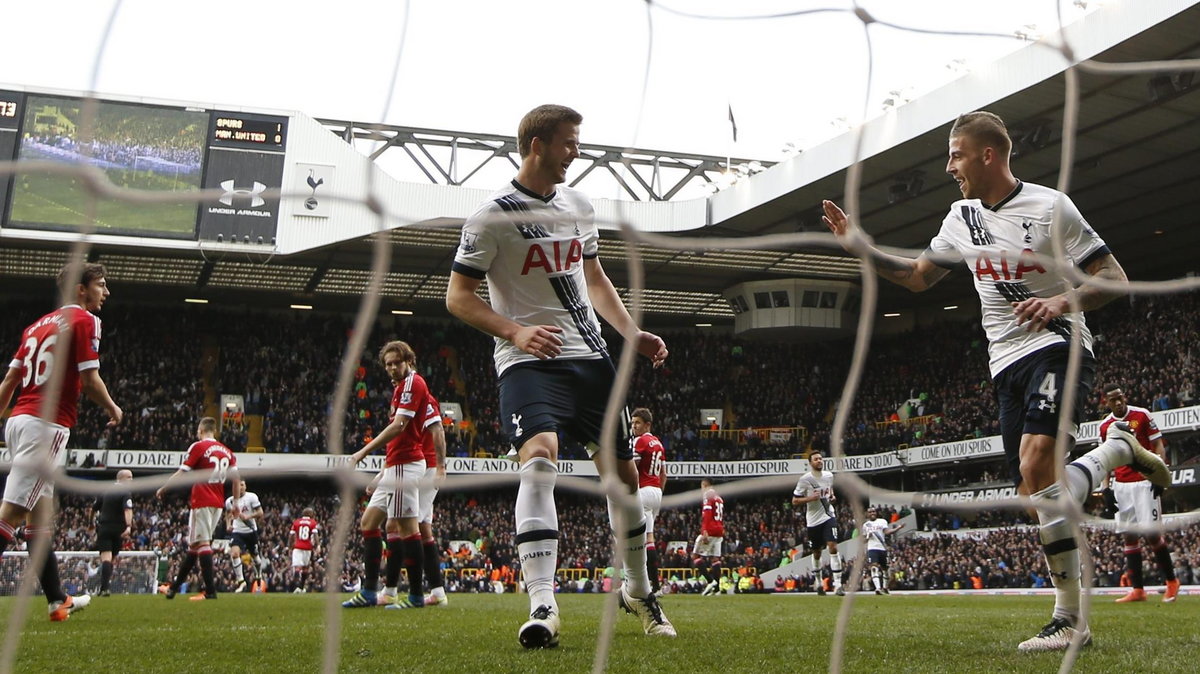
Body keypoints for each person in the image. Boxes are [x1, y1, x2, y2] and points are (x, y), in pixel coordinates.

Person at [822, 110, 1170, 651]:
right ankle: (1113, 452)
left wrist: (1059, 299)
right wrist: (861, 246)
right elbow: (918, 277)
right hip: (1003, 362)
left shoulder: (1052, 206)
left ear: (988, 154)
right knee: (1037, 496)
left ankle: (1070, 621)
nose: (948, 166)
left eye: (956, 154)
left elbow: (1113, 278)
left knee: (1036, 464)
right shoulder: (960, 217)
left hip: (1059, 342)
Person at [446, 103, 675, 647]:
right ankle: (543, 605)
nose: (577, 151)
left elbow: (592, 275)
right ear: (537, 145)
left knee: (624, 486)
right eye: (570, 142)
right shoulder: (490, 218)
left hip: (592, 358)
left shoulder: (579, 205)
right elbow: (458, 297)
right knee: (540, 459)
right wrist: (514, 331)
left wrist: (630, 333)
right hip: (528, 363)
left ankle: (638, 591)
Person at [0, 262, 121, 621]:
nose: (106, 291)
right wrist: (114, 407)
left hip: (19, 419)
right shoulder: (86, 321)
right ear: (80, 289)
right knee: (12, 512)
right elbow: (89, 379)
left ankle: (57, 600)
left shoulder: (35, 326)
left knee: (40, 516)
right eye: (101, 284)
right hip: (46, 424)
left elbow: (9, 381)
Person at [341, 341, 431, 610]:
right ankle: (369, 591)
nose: (392, 368)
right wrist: (382, 473)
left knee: (407, 529)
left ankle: (415, 595)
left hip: (406, 466)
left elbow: (399, 427)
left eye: (397, 363)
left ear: (409, 361)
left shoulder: (413, 384)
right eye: (388, 364)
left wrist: (361, 453)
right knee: (369, 523)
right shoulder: (400, 387)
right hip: (394, 466)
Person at [1098, 384, 1180, 603]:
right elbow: (1106, 459)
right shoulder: (1105, 426)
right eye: (1113, 400)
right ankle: (1138, 590)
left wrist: (1159, 475)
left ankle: (1172, 582)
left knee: (1152, 534)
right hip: (1122, 485)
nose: (1118, 402)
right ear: (1106, 402)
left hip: (1144, 481)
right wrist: (1106, 488)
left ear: (1125, 397)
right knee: (1129, 536)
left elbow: (1158, 446)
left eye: (1121, 398)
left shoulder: (1142, 415)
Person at [156, 417, 240, 600]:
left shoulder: (198, 447)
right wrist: (236, 504)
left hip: (202, 500)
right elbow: (237, 479)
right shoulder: (227, 451)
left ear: (201, 430)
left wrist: (165, 487)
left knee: (202, 544)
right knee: (195, 546)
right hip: (218, 502)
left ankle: (210, 590)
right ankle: (174, 588)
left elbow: (182, 472)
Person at [793, 452, 844, 596]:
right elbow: (795, 501)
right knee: (816, 552)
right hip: (813, 521)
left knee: (833, 546)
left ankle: (838, 585)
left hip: (828, 516)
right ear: (810, 463)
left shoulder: (829, 476)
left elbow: (830, 490)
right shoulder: (805, 480)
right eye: (816, 459)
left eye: (821, 459)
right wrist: (810, 498)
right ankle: (819, 582)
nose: (819, 461)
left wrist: (832, 496)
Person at [416, 394, 449, 607]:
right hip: (423, 466)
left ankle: (411, 591)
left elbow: (438, 430)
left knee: (406, 526)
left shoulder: (424, 399)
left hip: (427, 467)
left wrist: (440, 466)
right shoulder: (403, 396)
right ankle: (437, 591)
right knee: (423, 529)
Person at [631, 407, 667, 595]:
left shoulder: (640, 441)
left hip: (643, 490)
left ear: (647, 424)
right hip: (656, 492)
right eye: (632, 423)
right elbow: (663, 474)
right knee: (649, 538)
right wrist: (658, 495)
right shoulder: (659, 444)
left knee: (636, 538)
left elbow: (633, 468)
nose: (634, 426)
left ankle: (648, 584)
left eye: (637, 423)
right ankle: (654, 585)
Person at [95, 469, 133, 596]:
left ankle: (104, 588)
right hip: (118, 530)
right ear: (121, 478)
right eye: (129, 477)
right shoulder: (125, 493)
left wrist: (90, 523)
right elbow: (128, 510)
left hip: (104, 528)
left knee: (107, 559)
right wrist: (128, 526)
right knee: (110, 560)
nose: (131, 480)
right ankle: (105, 588)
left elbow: (94, 508)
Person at [224, 479, 263, 593]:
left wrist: (249, 516)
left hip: (251, 531)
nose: (240, 487)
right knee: (235, 553)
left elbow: (260, 512)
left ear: (245, 486)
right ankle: (241, 582)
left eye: (242, 485)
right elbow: (227, 513)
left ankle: (258, 573)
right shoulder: (230, 501)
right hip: (237, 531)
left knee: (256, 558)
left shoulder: (251, 497)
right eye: (238, 485)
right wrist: (228, 525)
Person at [860, 506, 904, 595]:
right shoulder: (865, 525)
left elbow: (887, 532)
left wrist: (898, 528)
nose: (872, 513)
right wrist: (868, 536)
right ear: (867, 514)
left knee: (885, 569)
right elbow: (863, 540)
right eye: (870, 512)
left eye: (873, 512)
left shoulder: (882, 521)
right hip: (872, 548)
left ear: (876, 513)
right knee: (874, 567)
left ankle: (885, 587)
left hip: (882, 548)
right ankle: (878, 588)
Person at [694, 479, 724, 596]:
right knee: (715, 559)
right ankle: (717, 590)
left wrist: (705, 531)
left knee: (695, 555)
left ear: (705, 485)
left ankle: (711, 581)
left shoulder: (708, 494)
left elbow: (707, 513)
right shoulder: (719, 498)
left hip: (710, 530)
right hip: (719, 530)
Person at [288, 507, 320, 593]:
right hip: (308, 548)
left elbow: (291, 535)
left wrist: (289, 546)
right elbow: (315, 535)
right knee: (305, 568)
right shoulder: (313, 523)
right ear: (310, 514)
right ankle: (301, 588)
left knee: (297, 568)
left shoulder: (297, 522)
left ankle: (296, 588)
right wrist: (317, 546)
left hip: (298, 547)